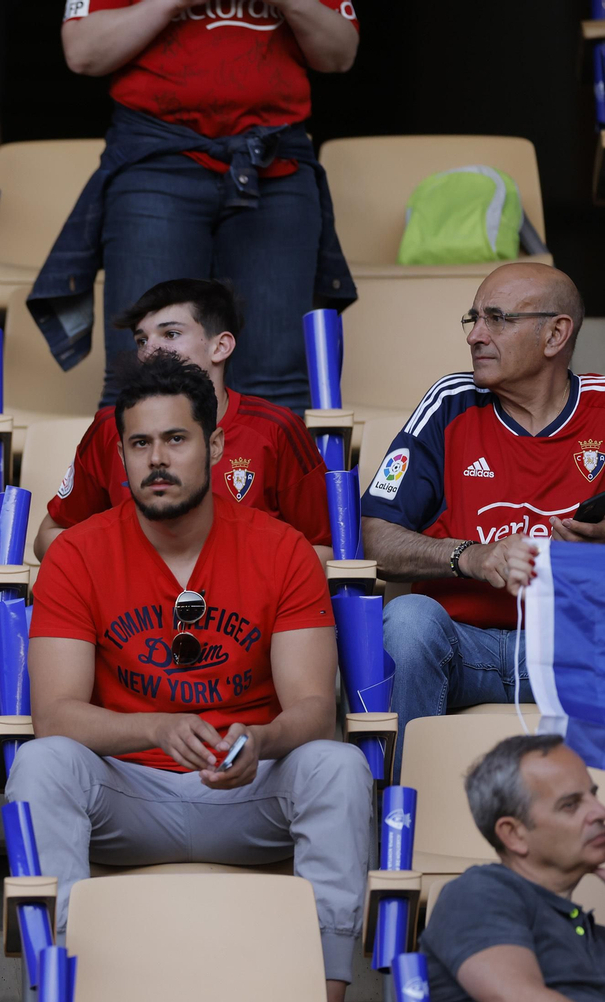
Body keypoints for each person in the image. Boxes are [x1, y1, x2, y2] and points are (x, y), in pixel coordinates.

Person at [4, 354, 377, 1002]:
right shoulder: (78, 552)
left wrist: (260, 740)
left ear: (215, 445)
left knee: (336, 766)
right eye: (139, 443)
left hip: (247, 790)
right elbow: (55, 714)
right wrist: (154, 726)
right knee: (43, 764)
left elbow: (312, 707)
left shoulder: (282, 549)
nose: (157, 459)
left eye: (175, 439)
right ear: (120, 456)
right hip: (129, 794)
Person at [29, 0, 358, 411]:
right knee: (143, 378)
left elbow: (340, 54)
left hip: (275, 163)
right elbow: (83, 52)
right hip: (156, 160)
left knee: (276, 383)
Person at [361, 264, 605, 765]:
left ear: (555, 334)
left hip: (574, 649)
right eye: (474, 318)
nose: (475, 335)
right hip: (459, 646)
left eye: (497, 318)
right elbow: (373, 535)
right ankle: (397, 803)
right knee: (406, 620)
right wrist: (470, 557)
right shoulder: (450, 404)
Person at [33, 277, 330, 561]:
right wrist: (122, 570)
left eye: (170, 334)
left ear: (220, 347)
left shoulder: (275, 429)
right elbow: (50, 535)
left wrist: (245, 577)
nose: (150, 351)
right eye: (141, 340)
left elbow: (329, 548)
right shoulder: (110, 427)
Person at [421, 735, 605, 1002]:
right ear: (514, 834)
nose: (599, 812)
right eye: (571, 805)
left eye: (594, 795)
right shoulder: (478, 892)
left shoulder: (590, 932)